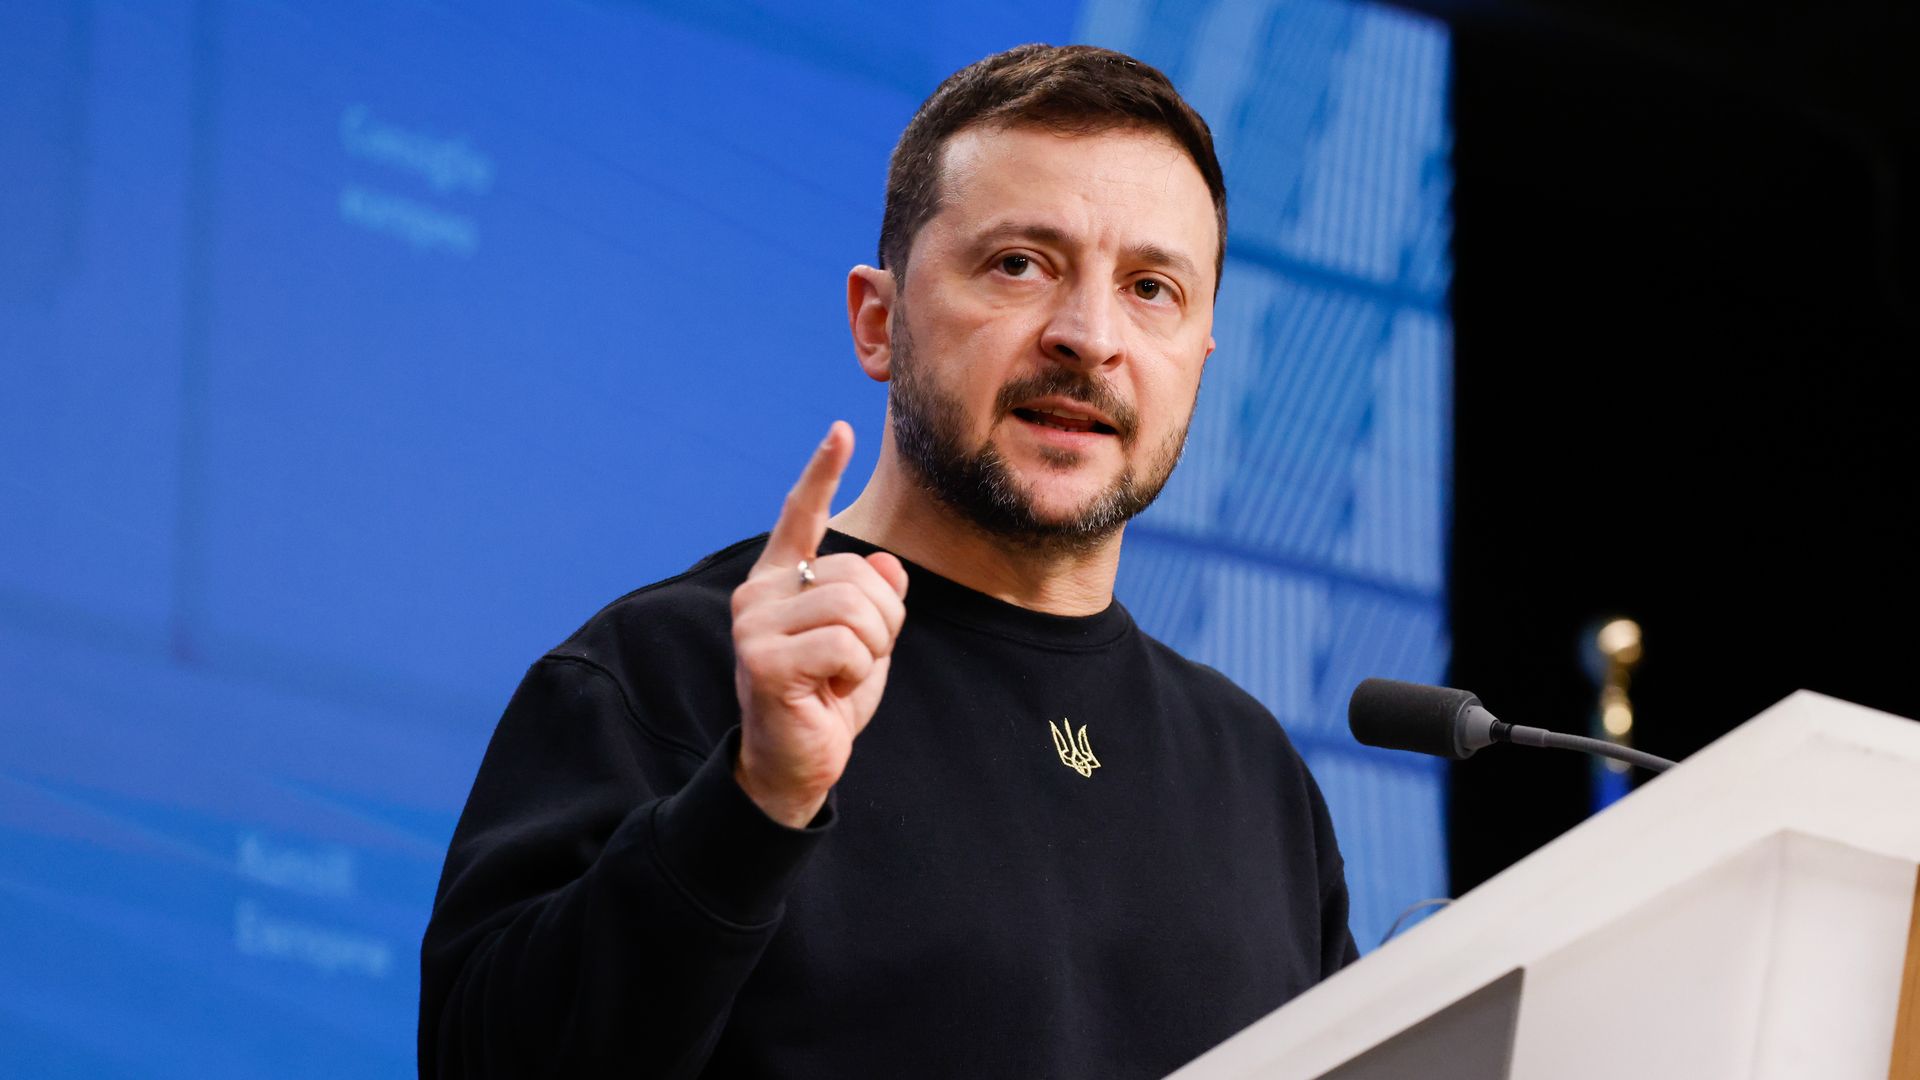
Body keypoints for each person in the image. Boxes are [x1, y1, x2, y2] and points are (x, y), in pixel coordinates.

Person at [419, 43, 1357, 1079]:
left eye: (1150, 288)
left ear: (1198, 361)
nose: (1090, 337)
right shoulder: (667, 673)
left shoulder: (1254, 770)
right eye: (1020, 265)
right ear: (878, 319)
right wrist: (754, 803)